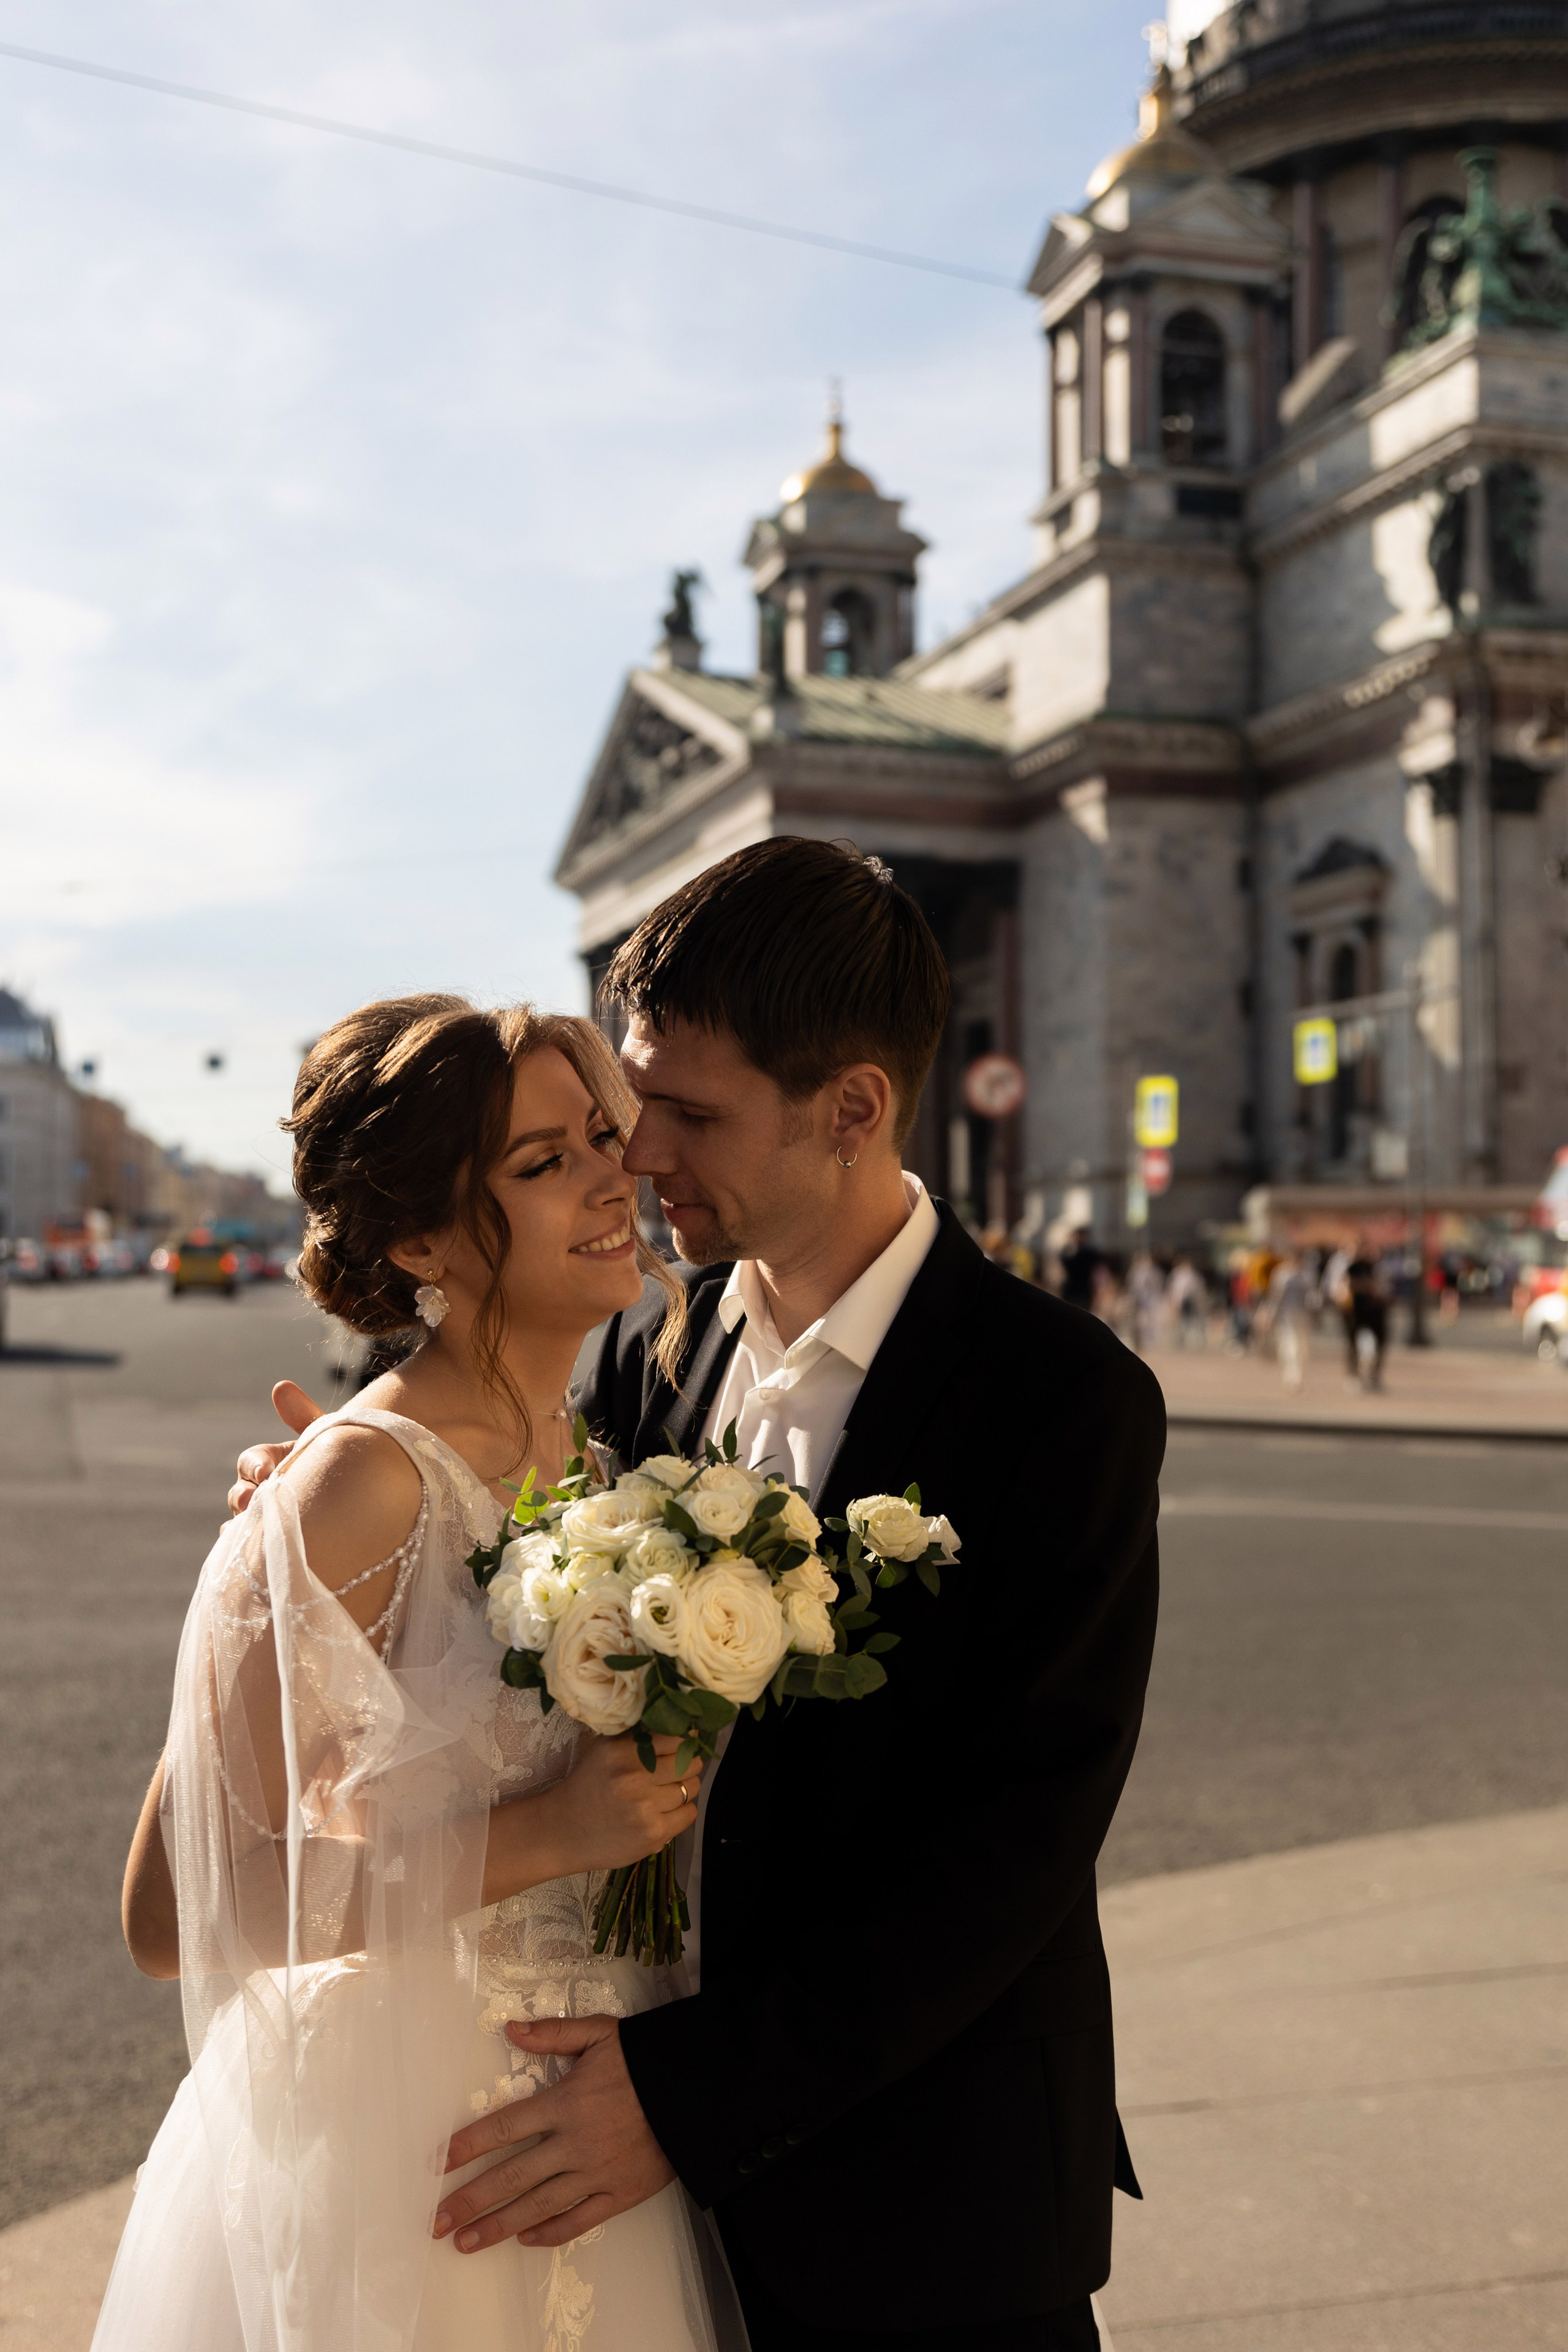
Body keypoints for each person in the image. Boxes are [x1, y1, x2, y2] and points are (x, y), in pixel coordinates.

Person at [231, 839, 1166, 2352]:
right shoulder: (632, 1350)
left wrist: (684, 2098)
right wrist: (321, 1511)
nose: (636, 1155)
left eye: (685, 1114)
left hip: (921, 2199)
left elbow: (1013, 1845)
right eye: (626, 1108)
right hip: (625, 2212)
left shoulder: (1061, 1400)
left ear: (852, 1109)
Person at [98, 998, 742, 2352]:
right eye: (538, 1163)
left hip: (595, 2129)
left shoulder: (609, 1463)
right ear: (417, 1240)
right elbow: (171, 1912)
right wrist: (543, 1834)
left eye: (596, 1137)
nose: (608, 1175)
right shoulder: (354, 1480)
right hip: (414, 2155)